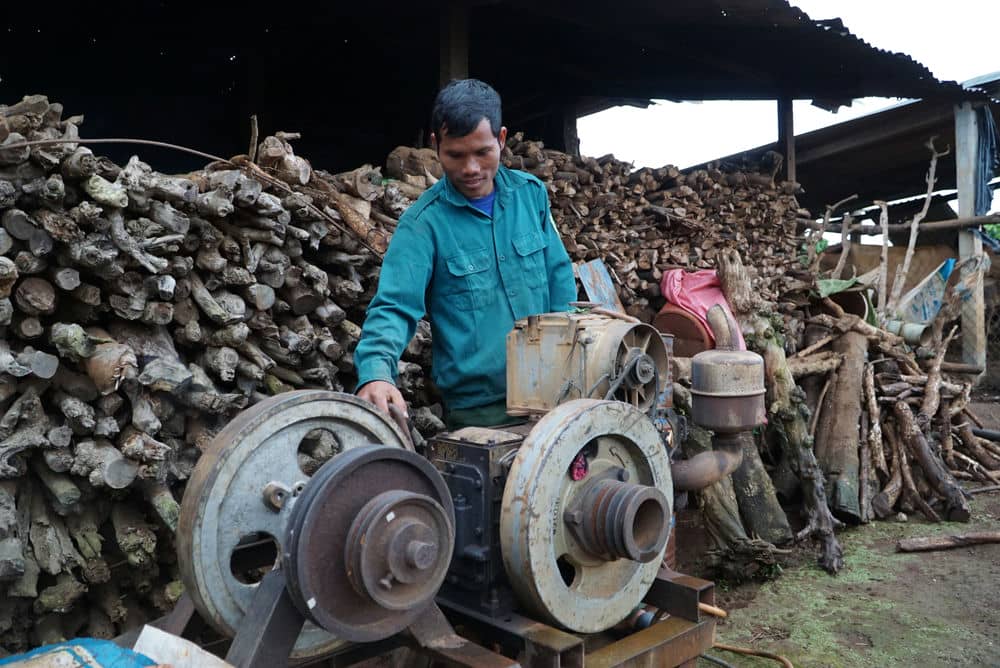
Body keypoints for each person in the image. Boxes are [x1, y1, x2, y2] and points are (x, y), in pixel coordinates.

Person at [353, 78, 576, 429]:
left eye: (483, 152)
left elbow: (559, 279)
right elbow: (394, 307)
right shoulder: (422, 225)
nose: (471, 168)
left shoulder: (530, 196)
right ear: (435, 146)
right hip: (481, 414)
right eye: (456, 155)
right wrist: (376, 374)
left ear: (501, 140)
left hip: (558, 395)